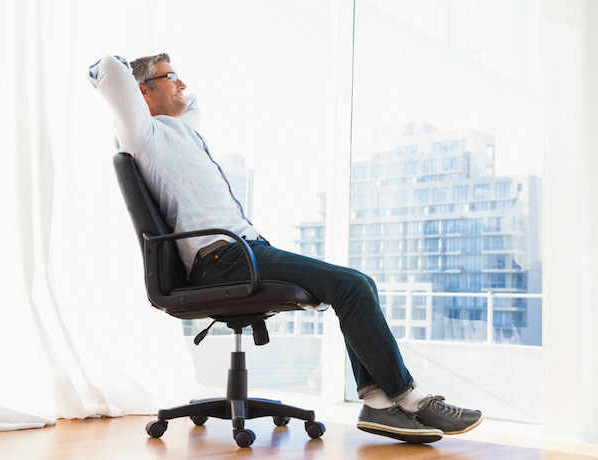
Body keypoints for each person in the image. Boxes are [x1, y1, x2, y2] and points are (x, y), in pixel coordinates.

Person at [88, 53, 483, 444]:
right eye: (171, 77)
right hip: (223, 259)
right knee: (353, 286)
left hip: (244, 252)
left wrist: (167, 78)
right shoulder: (143, 135)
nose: (183, 85)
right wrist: (134, 68)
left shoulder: (184, 130)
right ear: (141, 92)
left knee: (357, 284)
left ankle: (379, 400)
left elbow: (192, 103)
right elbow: (108, 68)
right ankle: (409, 398)